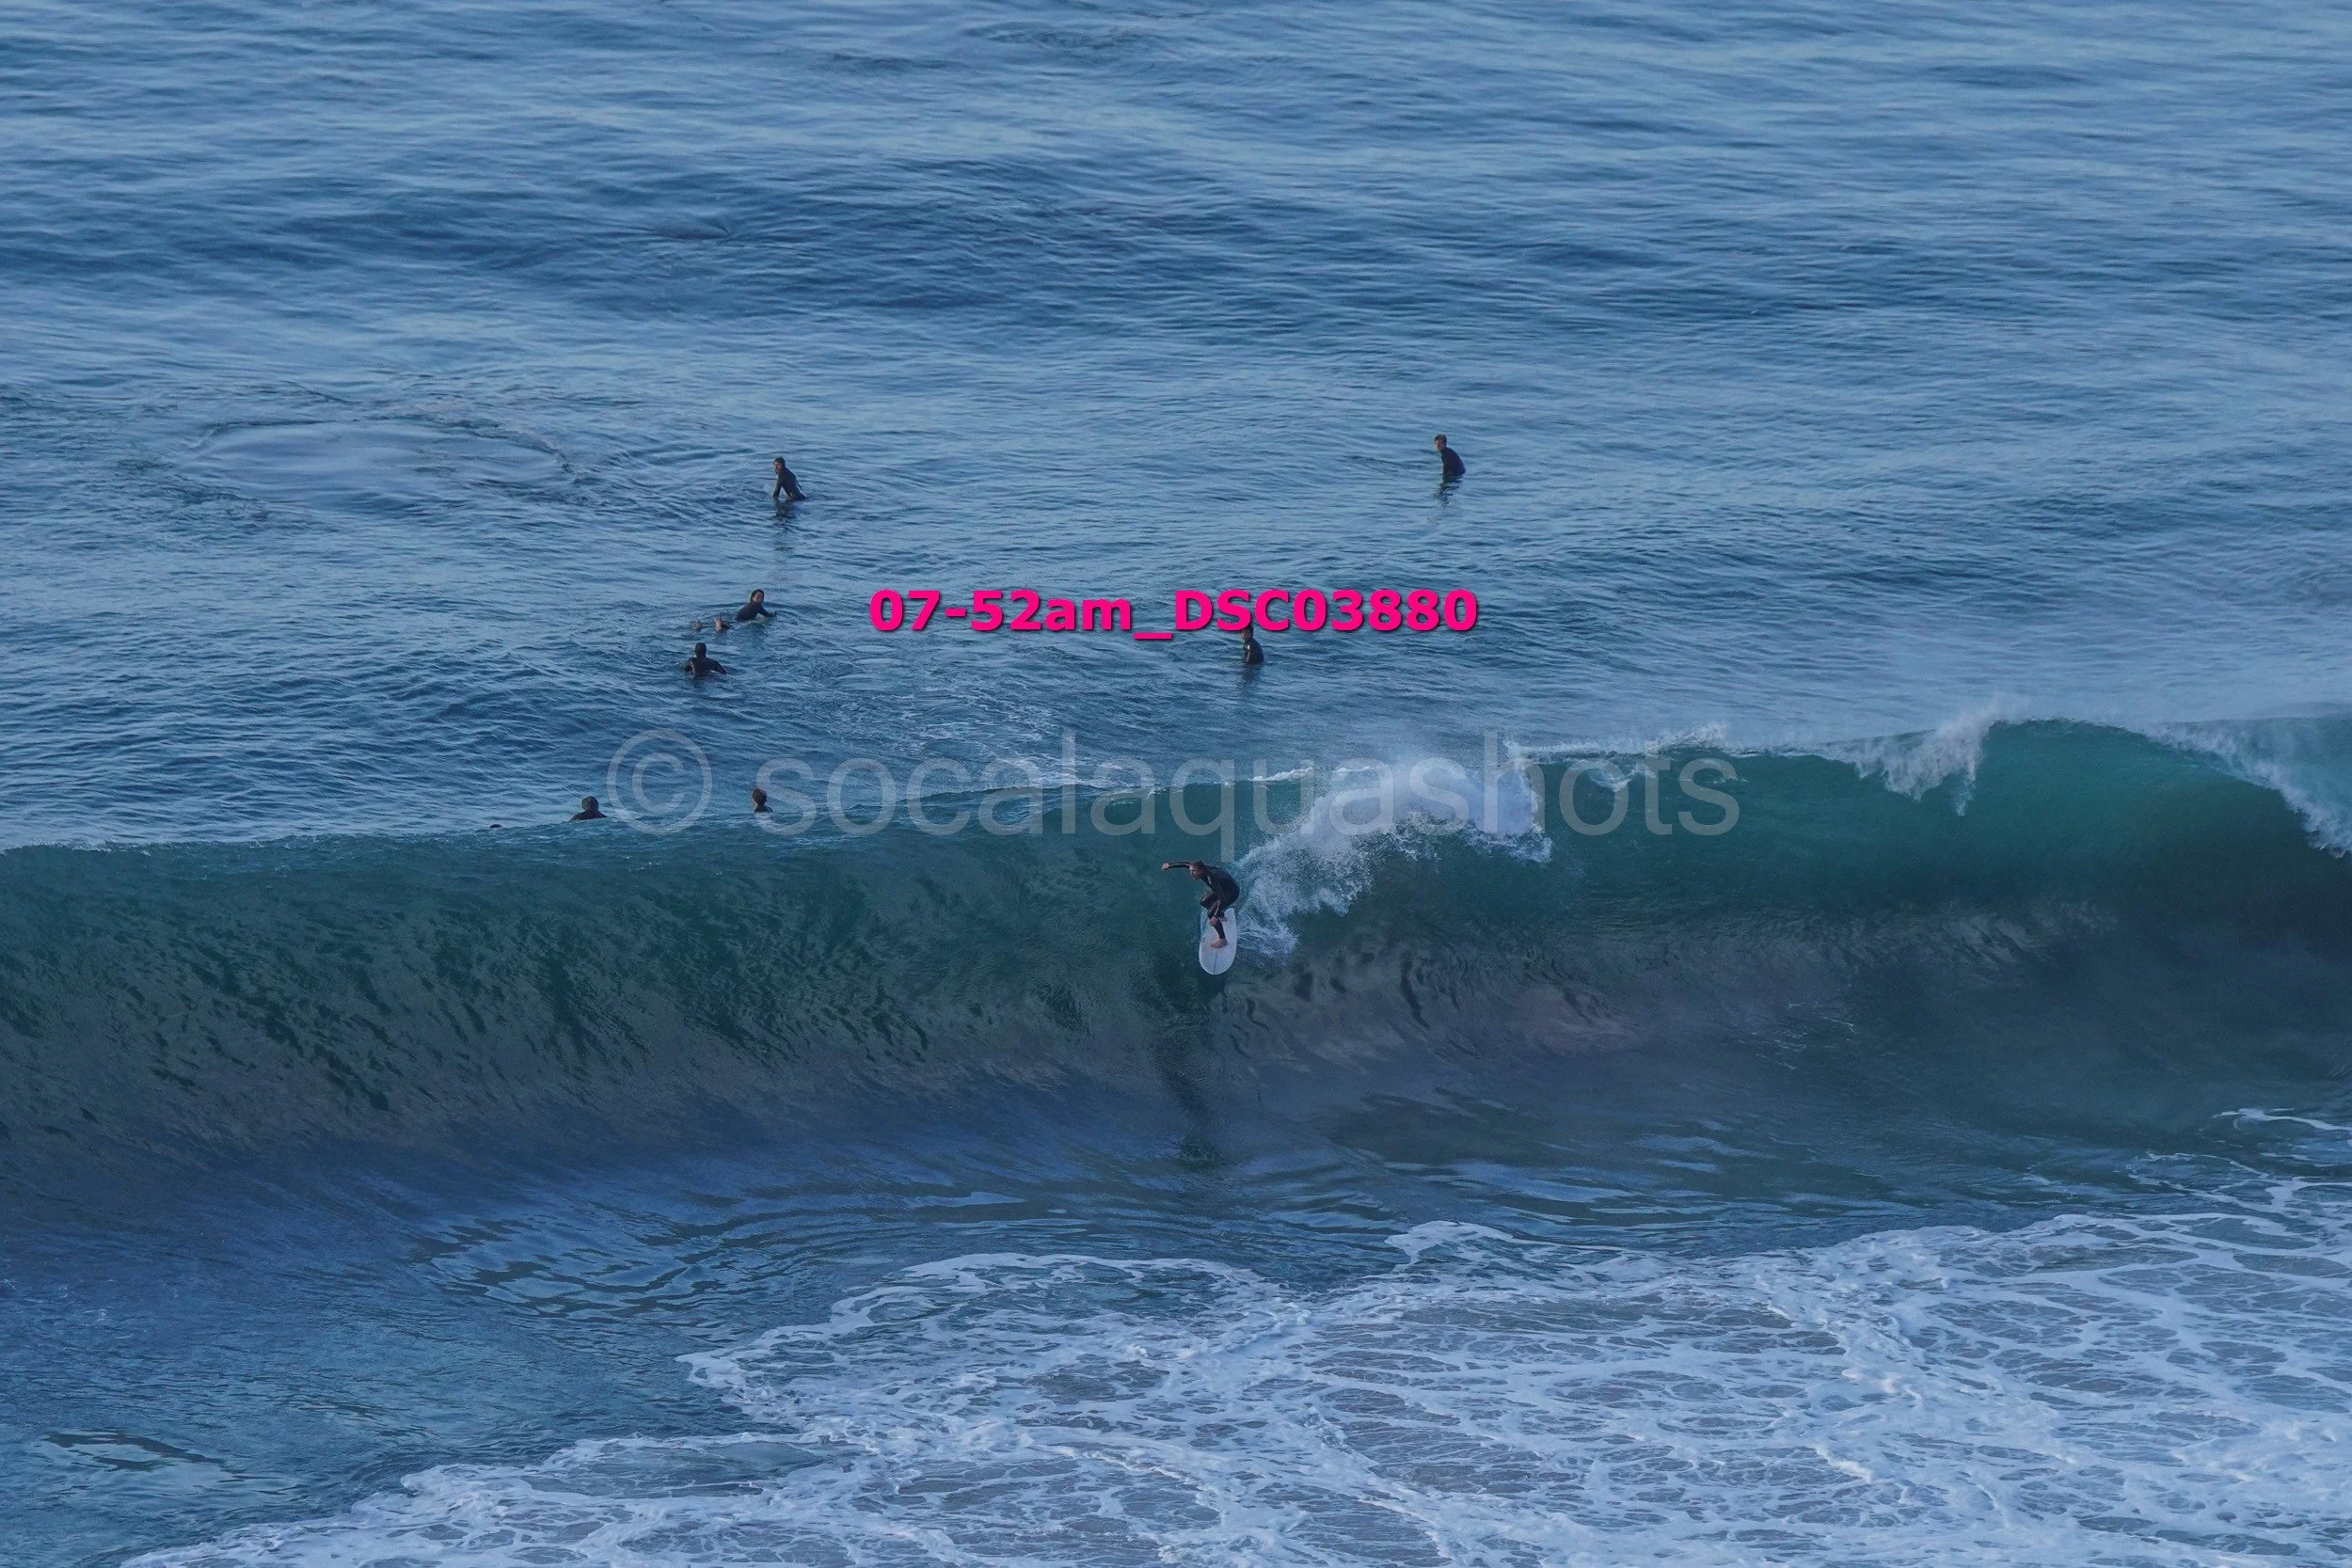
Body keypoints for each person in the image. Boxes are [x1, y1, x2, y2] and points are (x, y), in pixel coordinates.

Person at [1160, 858, 1243, 948]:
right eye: (1191, 871)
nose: (1191, 874)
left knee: (1211, 914)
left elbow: (1222, 898)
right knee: (1203, 902)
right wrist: (1170, 865)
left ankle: (1223, 940)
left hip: (1231, 892)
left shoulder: (1211, 879)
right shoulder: (1200, 868)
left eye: (1193, 872)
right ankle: (1221, 915)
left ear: (1201, 870)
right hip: (1222, 887)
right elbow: (1185, 864)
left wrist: (1214, 916)